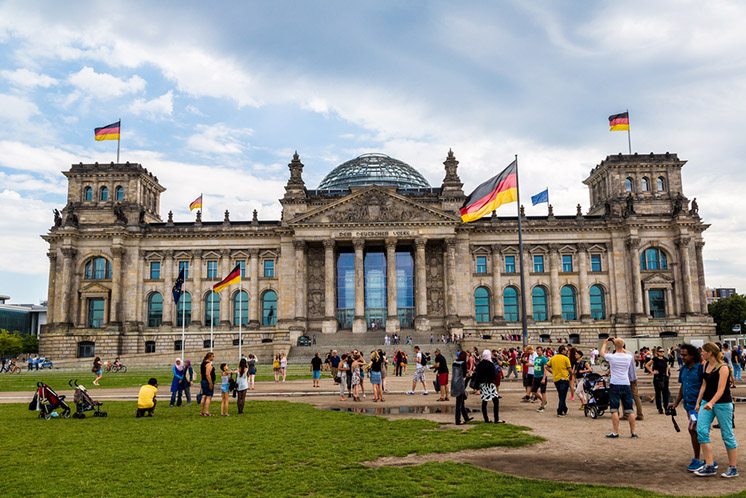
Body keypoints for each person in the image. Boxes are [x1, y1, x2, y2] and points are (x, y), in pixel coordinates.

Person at [693, 342, 738, 478]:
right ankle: (710, 465)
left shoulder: (723, 367)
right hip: (707, 402)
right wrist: (698, 402)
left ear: (710, 352)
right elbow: (704, 385)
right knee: (701, 431)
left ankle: (733, 467)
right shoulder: (705, 365)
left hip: (722, 404)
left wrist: (712, 403)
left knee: (727, 435)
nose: (701, 353)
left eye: (703, 351)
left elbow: (721, 389)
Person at [669, 344, 705, 472]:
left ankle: (698, 459)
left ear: (692, 355)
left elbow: (705, 386)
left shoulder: (701, 369)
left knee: (693, 429)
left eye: (684, 355)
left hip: (700, 407)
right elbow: (682, 387)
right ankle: (705, 458)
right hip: (689, 407)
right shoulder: (683, 369)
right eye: (681, 354)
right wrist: (676, 402)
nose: (681, 357)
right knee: (698, 431)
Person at [601, 338, 637, 439]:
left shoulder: (612, 357)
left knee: (614, 410)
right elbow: (627, 352)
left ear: (614, 347)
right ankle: (633, 432)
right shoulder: (628, 357)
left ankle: (615, 432)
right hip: (626, 383)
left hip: (615, 383)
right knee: (629, 410)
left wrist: (605, 343)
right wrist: (619, 344)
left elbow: (602, 353)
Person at [474, 349, 503, 423]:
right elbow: (494, 374)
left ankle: (486, 419)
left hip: (483, 385)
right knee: (495, 401)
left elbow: (477, 375)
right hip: (490, 384)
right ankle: (496, 419)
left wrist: (477, 385)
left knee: (484, 401)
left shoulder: (480, 364)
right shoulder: (490, 364)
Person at [546, 345, 572, 417]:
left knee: (561, 395)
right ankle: (559, 411)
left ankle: (564, 408)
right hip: (564, 378)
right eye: (566, 350)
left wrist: (552, 372)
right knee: (563, 395)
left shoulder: (553, 358)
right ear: (562, 350)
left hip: (556, 379)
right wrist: (571, 374)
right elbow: (569, 369)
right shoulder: (566, 358)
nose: (567, 352)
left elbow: (546, 366)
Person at [645, 347, 671, 414]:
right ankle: (659, 408)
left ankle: (666, 407)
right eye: (660, 351)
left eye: (663, 351)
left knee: (665, 393)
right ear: (657, 352)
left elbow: (667, 367)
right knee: (658, 393)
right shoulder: (655, 359)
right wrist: (652, 371)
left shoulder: (665, 359)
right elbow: (647, 365)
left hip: (664, 377)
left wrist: (667, 374)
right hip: (657, 378)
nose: (662, 352)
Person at [451, 351, 473, 425]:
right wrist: (469, 374)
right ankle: (458, 420)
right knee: (459, 403)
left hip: (454, 382)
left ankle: (466, 417)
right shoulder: (463, 363)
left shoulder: (454, 362)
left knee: (461, 401)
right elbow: (464, 375)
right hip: (460, 383)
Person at [531, 347, 548, 412]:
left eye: (539, 351)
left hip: (541, 377)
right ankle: (544, 401)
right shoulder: (536, 358)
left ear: (542, 351)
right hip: (536, 377)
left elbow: (545, 369)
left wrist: (544, 378)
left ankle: (542, 406)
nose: (537, 352)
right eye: (537, 351)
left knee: (543, 392)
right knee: (534, 391)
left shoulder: (544, 359)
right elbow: (535, 366)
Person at [199, 352, 215, 417]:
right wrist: (210, 383)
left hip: (203, 381)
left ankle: (201, 411)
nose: (213, 358)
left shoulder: (202, 363)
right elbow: (207, 374)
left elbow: (201, 374)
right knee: (208, 396)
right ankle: (206, 412)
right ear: (209, 357)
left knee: (204, 396)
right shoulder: (208, 364)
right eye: (213, 356)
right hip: (207, 381)